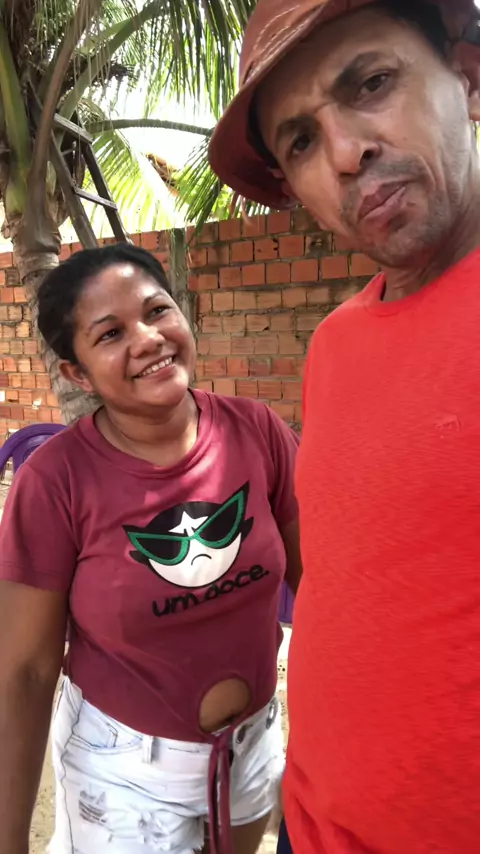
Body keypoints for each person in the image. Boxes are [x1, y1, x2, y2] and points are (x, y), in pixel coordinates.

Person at [208, 0, 480, 852]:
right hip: (313, 822)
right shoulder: (334, 344)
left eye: (371, 83)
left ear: (468, 75)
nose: (343, 153)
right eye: (299, 141)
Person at [0, 243, 301, 854]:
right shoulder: (56, 481)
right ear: (77, 374)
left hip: (252, 746)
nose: (147, 339)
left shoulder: (257, 431)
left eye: (157, 310)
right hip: (124, 774)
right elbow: (26, 670)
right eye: (110, 334)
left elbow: (319, 581)